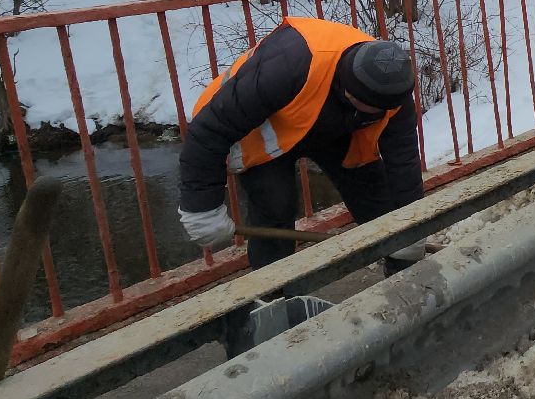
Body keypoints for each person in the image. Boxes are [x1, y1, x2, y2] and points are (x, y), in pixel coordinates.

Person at [176, 16, 425, 314]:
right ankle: (274, 302)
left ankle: (409, 285)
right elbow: (209, 131)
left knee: (378, 200)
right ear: (348, 90)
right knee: (275, 209)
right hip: (265, 133)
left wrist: (410, 225)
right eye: (370, 107)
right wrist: (201, 208)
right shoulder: (288, 66)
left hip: (336, 129)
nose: (380, 113)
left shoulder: (393, 89)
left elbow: (403, 159)